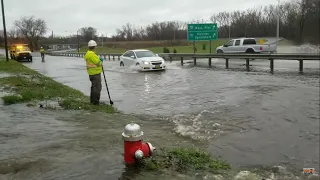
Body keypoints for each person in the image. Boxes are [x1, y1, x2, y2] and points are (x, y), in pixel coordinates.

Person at [84, 40, 104, 105]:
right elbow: (99, 63)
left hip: (91, 73)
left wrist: (98, 58)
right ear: (94, 46)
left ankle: (92, 101)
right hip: (95, 73)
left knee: (93, 87)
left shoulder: (88, 53)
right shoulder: (92, 54)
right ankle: (96, 102)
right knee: (97, 88)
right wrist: (101, 60)